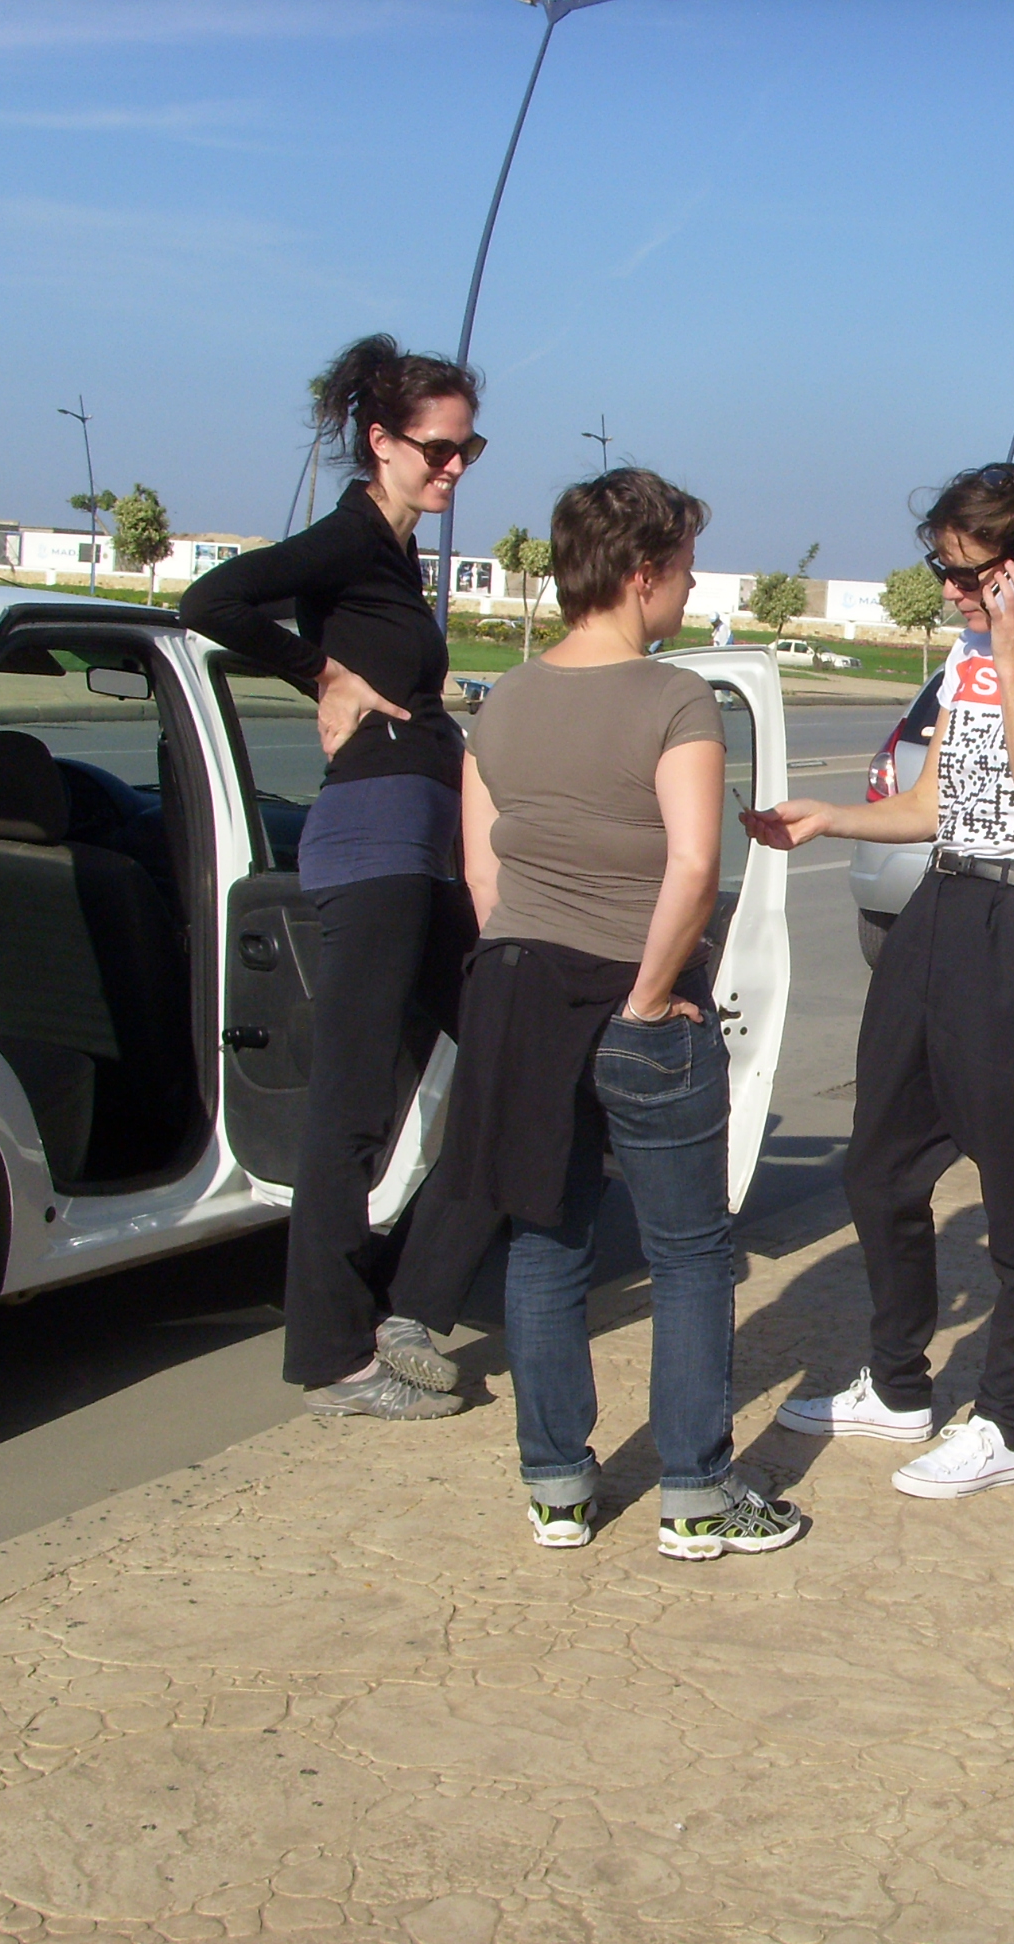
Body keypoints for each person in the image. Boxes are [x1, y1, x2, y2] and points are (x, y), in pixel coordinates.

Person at [744, 464, 1014, 1499]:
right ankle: (897, 1384)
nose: (955, 594)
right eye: (944, 572)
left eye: (971, 575)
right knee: (879, 1166)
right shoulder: (968, 650)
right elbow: (936, 804)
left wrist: (1011, 657)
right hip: (942, 907)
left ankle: (1005, 1424)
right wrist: (831, 819)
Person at [439, 468, 806, 1561]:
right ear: (643, 574)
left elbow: (483, 873)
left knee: (545, 1241)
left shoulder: (504, 699)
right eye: (685, 569)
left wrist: (531, 964)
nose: (690, 591)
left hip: (519, 992)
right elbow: (695, 865)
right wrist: (648, 995)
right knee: (688, 1254)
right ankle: (696, 1493)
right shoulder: (674, 698)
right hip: (637, 1003)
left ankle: (557, 1487)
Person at [179, 334, 500, 1421]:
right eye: (438, 448)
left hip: (421, 845)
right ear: (381, 441)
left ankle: (401, 1301)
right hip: (374, 843)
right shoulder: (352, 538)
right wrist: (322, 672)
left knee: (510, 1054)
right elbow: (212, 602)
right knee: (352, 1106)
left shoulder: (394, 556)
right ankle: (333, 1359)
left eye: (468, 449)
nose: (454, 467)